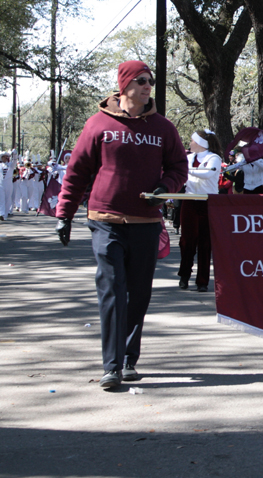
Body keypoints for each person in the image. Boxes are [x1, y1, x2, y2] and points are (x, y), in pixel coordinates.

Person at [54, 60, 188, 389]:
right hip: (105, 220)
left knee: (139, 292)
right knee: (113, 290)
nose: (147, 86)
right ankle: (111, 366)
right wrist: (64, 213)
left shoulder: (163, 128)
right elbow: (77, 173)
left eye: (150, 81)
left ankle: (129, 358)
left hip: (146, 223)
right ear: (124, 84)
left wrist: (166, 187)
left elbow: (179, 167)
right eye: (141, 81)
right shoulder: (97, 125)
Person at [179, 129, 223, 293]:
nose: (190, 143)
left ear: (201, 144)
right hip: (189, 201)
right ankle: (184, 275)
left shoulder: (214, 158)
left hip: (207, 202)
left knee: (205, 243)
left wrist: (185, 170)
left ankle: (202, 280)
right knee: (187, 241)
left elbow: (205, 174)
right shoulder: (188, 158)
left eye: (192, 141)